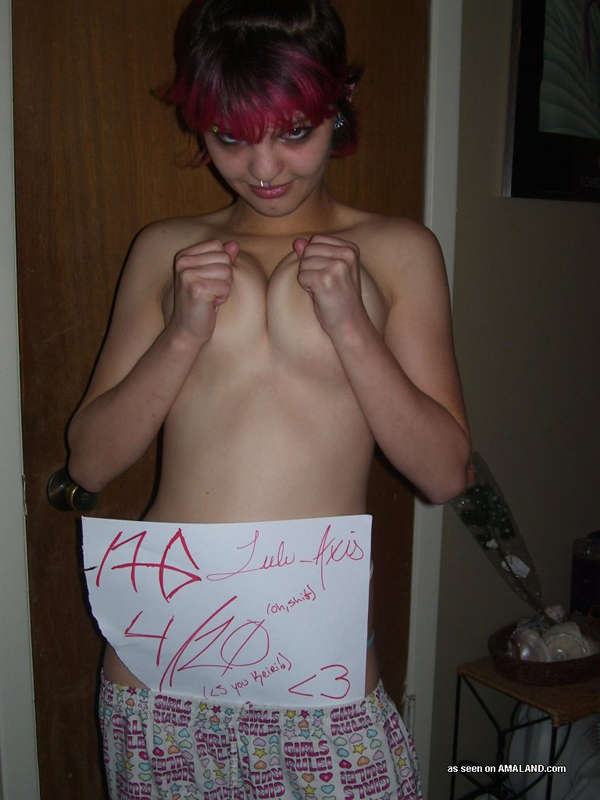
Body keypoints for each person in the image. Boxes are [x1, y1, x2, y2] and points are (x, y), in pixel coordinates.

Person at [67, 1, 470, 797]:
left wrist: (351, 326)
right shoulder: (164, 249)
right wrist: (182, 336)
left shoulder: (398, 251)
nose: (264, 168)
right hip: (157, 669)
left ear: (338, 109)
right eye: (231, 138)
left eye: (293, 132)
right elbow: (89, 461)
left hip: (318, 677)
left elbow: (445, 474)